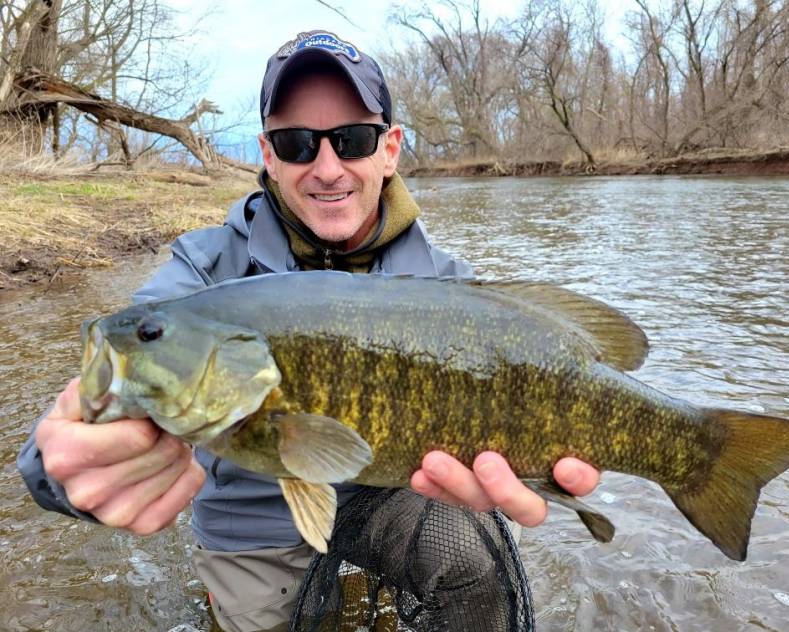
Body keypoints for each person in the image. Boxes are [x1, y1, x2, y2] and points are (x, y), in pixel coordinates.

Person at [17, 31, 600, 632]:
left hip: (395, 498)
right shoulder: (204, 275)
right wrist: (59, 469)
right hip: (257, 527)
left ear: (390, 149)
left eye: (352, 140)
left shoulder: (447, 289)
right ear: (268, 155)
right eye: (298, 144)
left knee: (473, 555)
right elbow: (94, 401)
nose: (327, 168)